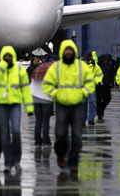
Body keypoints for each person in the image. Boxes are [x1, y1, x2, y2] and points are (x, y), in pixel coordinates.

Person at [42, 40, 95, 172]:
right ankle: (60, 155)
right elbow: (47, 84)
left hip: (77, 104)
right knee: (60, 134)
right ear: (62, 51)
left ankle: (73, 162)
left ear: (74, 51)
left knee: (77, 135)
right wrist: (56, 95)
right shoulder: (56, 67)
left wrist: (83, 94)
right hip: (62, 104)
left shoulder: (81, 66)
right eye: (66, 50)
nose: (68, 52)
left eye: (70, 50)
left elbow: (90, 83)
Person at [0, 46, 34, 173]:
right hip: (1, 105)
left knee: (16, 132)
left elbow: (25, 89)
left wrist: (29, 106)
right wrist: (1, 66)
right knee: (4, 135)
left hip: (15, 104)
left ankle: (17, 160)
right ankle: (8, 162)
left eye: (10, 55)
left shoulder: (19, 70)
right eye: (6, 56)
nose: (8, 58)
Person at [29, 60, 52, 147]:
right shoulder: (49, 76)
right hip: (46, 100)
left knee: (38, 121)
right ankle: (46, 141)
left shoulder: (35, 74)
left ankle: (37, 141)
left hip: (35, 100)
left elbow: (31, 88)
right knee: (46, 121)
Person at [86, 52, 103, 125]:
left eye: (89, 56)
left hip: (91, 87)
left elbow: (99, 75)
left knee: (92, 102)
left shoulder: (95, 66)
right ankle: (82, 119)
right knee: (83, 104)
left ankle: (91, 118)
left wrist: (95, 82)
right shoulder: (80, 64)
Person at [95, 54, 113, 121]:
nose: (106, 61)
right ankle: (99, 113)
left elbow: (111, 74)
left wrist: (111, 81)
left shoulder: (109, 66)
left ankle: (101, 110)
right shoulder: (97, 66)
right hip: (99, 85)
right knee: (98, 100)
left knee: (107, 98)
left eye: (107, 60)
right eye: (105, 59)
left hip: (106, 84)